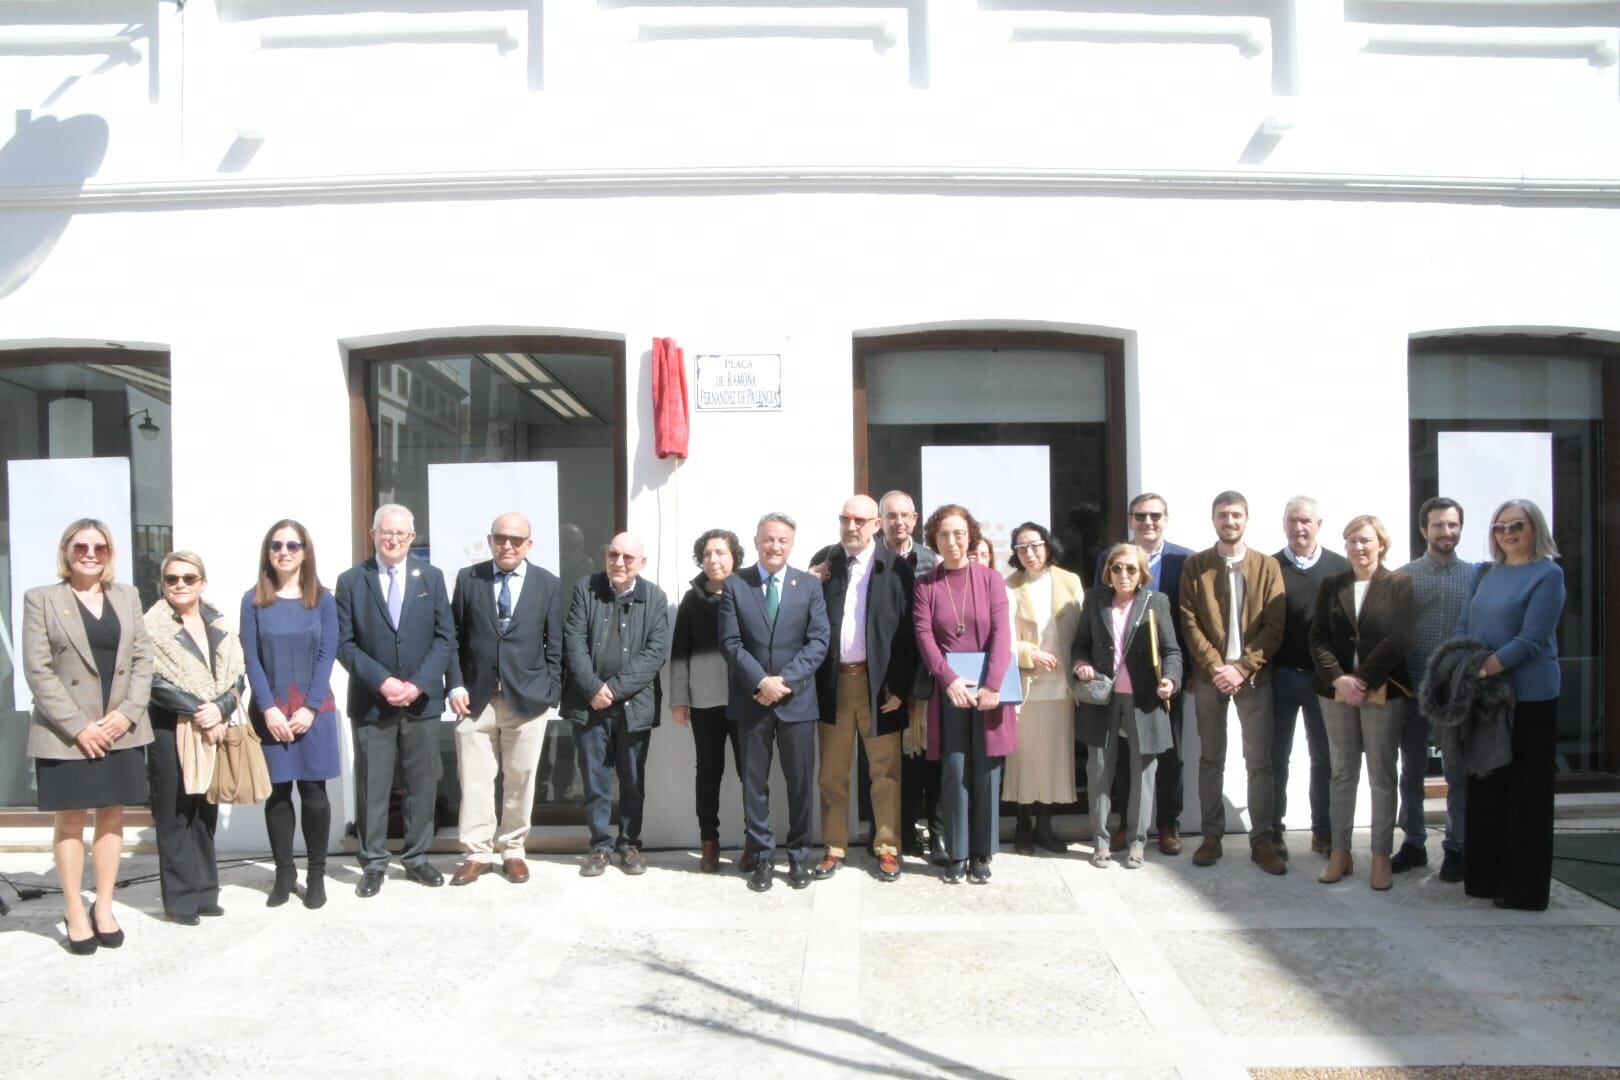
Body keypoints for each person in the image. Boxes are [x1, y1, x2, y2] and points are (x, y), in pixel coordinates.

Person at [23, 519, 153, 954]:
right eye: (81, 546)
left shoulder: (127, 596)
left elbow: (142, 660)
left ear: (110, 553)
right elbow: (38, 671)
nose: (90, 553)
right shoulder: (41, 599)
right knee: (71, 820)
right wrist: (79, 726)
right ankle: (75, 910)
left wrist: (126, 714)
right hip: (67, 733)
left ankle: (105, 907)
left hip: (120, 727)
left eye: (100, 546)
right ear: (67, 551)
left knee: (113, 815)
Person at [335, 503, 456, 897]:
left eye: (401, 534)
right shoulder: (353, 580)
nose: (393, 539)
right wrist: (383, 681)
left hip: (421, 702)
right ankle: (373, 861)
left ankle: (418, 857)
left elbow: (444, 638)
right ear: (373, 535)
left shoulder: (432, 577)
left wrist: (419, 684)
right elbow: (344, 643)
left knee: (422, 782)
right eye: (386, 532)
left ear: (412, 537)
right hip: (373, 701)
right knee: (374, 783)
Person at [1456, 498, 1566, 911]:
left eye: (1517, 525)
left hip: (1529, 698)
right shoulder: (1486, 572)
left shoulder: (1548, 574)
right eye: (1500, 527)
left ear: (1534, 528)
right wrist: (1462, 662)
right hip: (1485, 696)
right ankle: (1485, 879)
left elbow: (1532, 638)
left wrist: (1483, 669)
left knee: (1526, 793)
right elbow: (1465, 624)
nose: (1508, 534)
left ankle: (1523, 889)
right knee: (1486, 785)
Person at [445, 513, 564, 886]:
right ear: (490, 540)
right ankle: (478, 853)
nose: (507, 545)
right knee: (476, 781)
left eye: (516, 539)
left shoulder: (548, 584)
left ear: (529, 544)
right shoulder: (469, 579)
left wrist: (551, 692)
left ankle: (513, 850)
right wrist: (455, 685)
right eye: (500, 538)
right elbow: (453, 638)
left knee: (521, 779)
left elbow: (555, 644)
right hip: (475, 699)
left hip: (527, 700)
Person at [719, 512, 830, 892]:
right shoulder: (736, 585)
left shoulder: (809, 586)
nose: (775, 546)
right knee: (754, 784)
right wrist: (761, 682)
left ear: (792, 544)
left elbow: (818, 641)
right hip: (752, 702)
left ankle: (800, 856)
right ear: (756, 542)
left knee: (800, 784)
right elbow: (730, 643)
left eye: (782, 540)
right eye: (768, 539)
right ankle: (763, 856)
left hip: (796, 701)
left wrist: (784, 682)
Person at [1179, 491, 1288, 874]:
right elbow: (1189, 622)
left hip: (1254, 676)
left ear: (1246, 519)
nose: (1230, 521)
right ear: (1213, 520)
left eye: (1236, 515)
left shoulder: (1267, 566)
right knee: (1211, 757)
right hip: (1210, 678)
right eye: (1223, 515)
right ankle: (1212, 836)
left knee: (1259, 761)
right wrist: (1216, 667)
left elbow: (1276, 626)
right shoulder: (1197, 566)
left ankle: (1263, 839)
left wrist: (1242, 667)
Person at [913, 504, 1018, 885]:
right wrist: (949, 679)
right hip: (951, 692)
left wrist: (992, 685)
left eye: (959, 533)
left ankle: (981, 853)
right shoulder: (926, 584)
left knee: (986, 773)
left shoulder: (991, 579)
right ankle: (956, 852)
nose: (952, 541)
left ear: (970, 535)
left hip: (990, 691)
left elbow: (1001, 635)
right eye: (944, 534)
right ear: (934, 539)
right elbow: (924, 637)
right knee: (954, 772)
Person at [813, 496, 916, 883]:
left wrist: (899, 687)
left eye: (859, 520)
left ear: (876, 525)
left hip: (879, 688)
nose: (851, 526)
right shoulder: (825, 563)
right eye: (845, 519)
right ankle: (834, 847)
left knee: (885, 772)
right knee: (832, 773)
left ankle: (888, 848)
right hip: (833, 683)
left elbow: (907, 636)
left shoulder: (896, 569)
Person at [1309, 515, 1414, 891]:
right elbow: (1318, 638)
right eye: (1352, 541)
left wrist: (1362, 680)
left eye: (1365, 540)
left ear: (1381, 544)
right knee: (1342, 773)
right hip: (1336, 692)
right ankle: (1341, 853)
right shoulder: (1331, 585)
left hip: (1382, 690)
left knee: (1382, 776)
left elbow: (1400, 638)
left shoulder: (1399, 584)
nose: (1358, 547)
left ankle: (1381, 857)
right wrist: (1339, 678)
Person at [242, 520, 341, 908]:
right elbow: (251, 658)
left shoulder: (323, 600)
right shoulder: (253, 601)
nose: (284, 552)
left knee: (314, 792)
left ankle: (316, 875)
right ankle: (284, 874)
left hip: (314, 711)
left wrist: (310, 708)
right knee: (278, 795)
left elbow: (326, 654)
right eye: (276, 545)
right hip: (271, 712)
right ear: (268, 553)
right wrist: (267, 708)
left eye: (293, 545)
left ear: (305, 551)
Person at [562, 532, 670, 877]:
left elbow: (655, 652)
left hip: (633, 706)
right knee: (594, 780)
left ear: (642, 563)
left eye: (627, 557)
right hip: (589, 703)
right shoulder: (586, 588)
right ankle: (599, 845)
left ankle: (629, 844)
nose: (619, 562)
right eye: (613, 555)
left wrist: (615, 689)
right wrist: (594, 688)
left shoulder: (654, 598)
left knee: (632, 779)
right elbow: (573, 641)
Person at [145, 551, 244, 924]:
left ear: (202, 582)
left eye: (188, 578)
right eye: (172, 579)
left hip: (211, 726)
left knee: (206, 812)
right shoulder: (150, 628)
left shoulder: (218, 622)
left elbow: (238, 675)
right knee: (175, 815)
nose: (180, 585)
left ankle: (206, 891)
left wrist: (221, 707)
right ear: (163, 584)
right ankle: (181, 899)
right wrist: (199, 709)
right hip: (171, 728)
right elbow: (152, 681)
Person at [1072, 542, 1182, 869]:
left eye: (1131, 569)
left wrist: (1171, 681)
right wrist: (1080, 665)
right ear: (1108, 572)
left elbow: (1172, 651)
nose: (1123, 574)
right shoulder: (1095, 599)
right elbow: (1080, 644)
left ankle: (1137, 842)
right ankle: (1101, 842)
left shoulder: (1155, 601)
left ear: (1142, 573)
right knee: (1100, 771)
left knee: (1143, 772)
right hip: (1102, 697)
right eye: (1117, 567)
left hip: (1145, 699)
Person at [1098, 493, 1193, 856]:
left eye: (1155, 515)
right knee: (1123, 754)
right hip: (1122, 677)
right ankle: (1127, 823)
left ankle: (1169, 824)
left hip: (1166, 675)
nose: (1148, 522)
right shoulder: (1113, 558)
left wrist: (1180, 673)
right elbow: (1100, 609)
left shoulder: (1184, 560)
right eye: (1140, 515)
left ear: (1166, 519)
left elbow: (1189, 619)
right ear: (1130, 519)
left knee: (1170, 753)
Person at [1394, 496, 1470, 881]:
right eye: (1438, 525)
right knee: (1411, 770)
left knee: (1457, 771)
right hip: (1412, 688)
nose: (1446, 532)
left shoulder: (1476, 576)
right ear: (1424, 530)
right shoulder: (1404, 576)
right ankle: (1413, 842)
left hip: (1456, 693)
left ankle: (1457, 846)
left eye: (1452, 525)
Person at [1270, 496, 1349, 859]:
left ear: (1319, 524)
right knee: (1275, 757)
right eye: (1292, 521)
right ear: (1284, 524)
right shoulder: (1270, 567)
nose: (1299, 528)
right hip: (1280, 677)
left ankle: (1323, 830)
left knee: (1325, 759)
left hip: (1324, 681)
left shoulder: (1340, 568)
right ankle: (1273, 829)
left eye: (1306, 521)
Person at [671, 528, 746, 872]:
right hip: (704, 700)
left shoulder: (748, 591)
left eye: (721, 552)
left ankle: (754, 841)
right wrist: (679, 698)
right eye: (707, 554)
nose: (713, 559)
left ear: (735, 557)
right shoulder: (692, 599)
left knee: (751, 771)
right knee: (709, 771)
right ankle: (709, 841)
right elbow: (679, 651)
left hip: (746, 698)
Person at [1005, 522, 1082, 855]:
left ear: (1048, 546)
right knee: (1022, 760)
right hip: (1027, 687)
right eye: (1022, 548)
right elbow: (1005, 639)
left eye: (1035, 545)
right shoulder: (1010, 585)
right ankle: (1023, 825)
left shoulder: (1069, 580)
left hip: (1061, 688)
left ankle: (1045, 826)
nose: (1030, 553)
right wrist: (1029, 653)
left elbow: (1082, 629)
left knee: (1054, 759)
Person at [878, 490, 943, 861]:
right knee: (889, 763)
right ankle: (893, 834)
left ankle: (932, 831)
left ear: (915, 520)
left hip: (925, 679)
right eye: (891, 516)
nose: (898, 522)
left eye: (904, 515)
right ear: (880, 521)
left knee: (926, 759)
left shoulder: (931, 562)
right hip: (883, 680)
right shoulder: (870, 561)